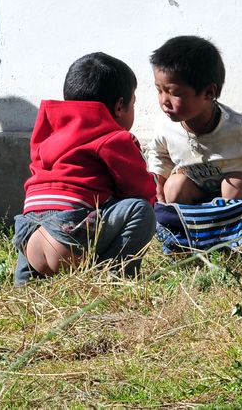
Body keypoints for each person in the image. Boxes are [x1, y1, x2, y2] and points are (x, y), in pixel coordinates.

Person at [13, 53, 157, 285]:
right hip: (68, 236)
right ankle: (113, 278)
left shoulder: (48, 134)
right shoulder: (113, 137)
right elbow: (140, 190)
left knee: (44, 210)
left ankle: (24, 282)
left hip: (27, 237)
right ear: (120, 106)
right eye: (133, 103)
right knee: (140, 210)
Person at [147, 36, 242, 218]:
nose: (164, 101)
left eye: (174, 93)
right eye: (159, 90)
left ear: (209, 92)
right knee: (174, 187)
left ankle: (235, 239)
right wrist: (159, 181)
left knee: (233, 185)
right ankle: (188, 238)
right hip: (195, 191)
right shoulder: (166, 125)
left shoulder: (239, 127)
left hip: (235, 197)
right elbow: (159, 154)